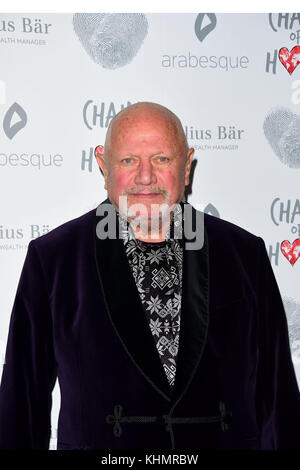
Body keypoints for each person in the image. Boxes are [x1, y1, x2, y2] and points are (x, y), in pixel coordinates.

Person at [0, 102, 299, 451]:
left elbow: (276, 397)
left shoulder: (243, 254)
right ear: (103, 165)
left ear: (186, 167)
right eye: (128, 160)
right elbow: (23, 402)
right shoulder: (53, 259)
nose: (145, 177)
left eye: (161, 159)